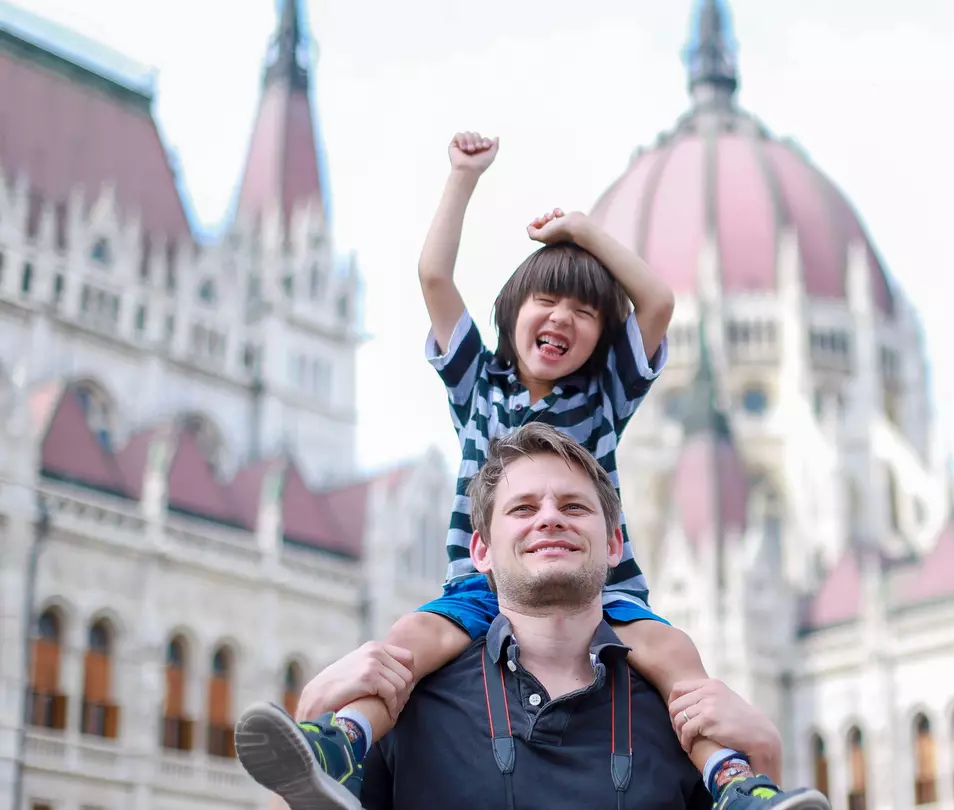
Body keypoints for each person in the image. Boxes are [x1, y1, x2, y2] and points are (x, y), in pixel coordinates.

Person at [234, 133, 824, 809]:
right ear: (511, 316)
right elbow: (433, 276)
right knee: (405, 645)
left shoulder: (604, 395)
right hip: (476, 586)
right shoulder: (478, 385)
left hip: (608, 593)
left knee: (677, 660)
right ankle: (340, 741)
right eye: (547, 302)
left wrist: (583, 232)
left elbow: (657, 302)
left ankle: (737, 785)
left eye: (585, 313)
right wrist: (461, 177)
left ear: (602, 338)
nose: (563, 319)